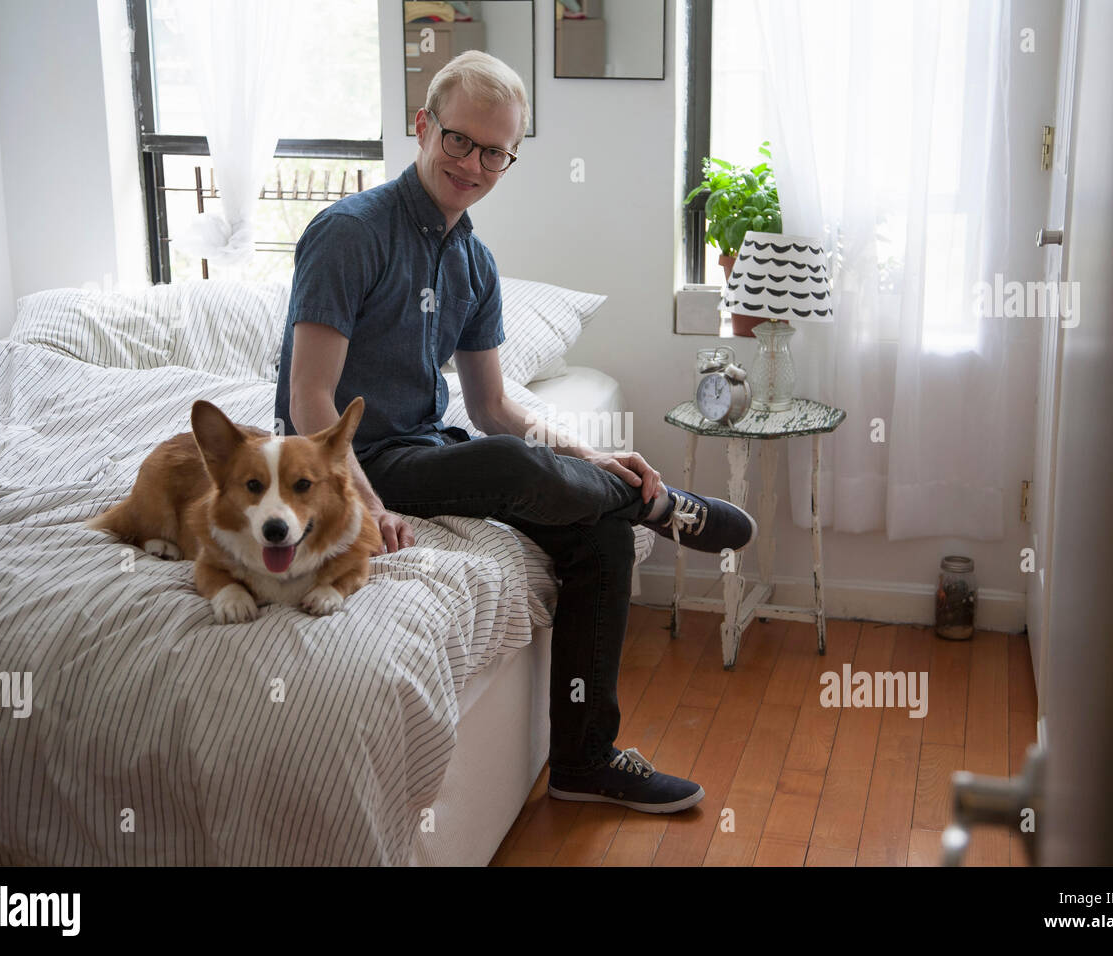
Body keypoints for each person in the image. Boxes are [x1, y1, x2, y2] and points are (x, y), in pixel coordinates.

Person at [274, 50, 756, 814]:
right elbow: (309, 398)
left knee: (595, 530)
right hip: (344, 464)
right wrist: (366, 505)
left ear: (511, 158)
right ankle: (660, 508)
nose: (473, 164)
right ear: (423, 126)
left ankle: (583, 759)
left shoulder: (475, 264)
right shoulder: (348, 234)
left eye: (495, 152)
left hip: (423, 449)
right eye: (460, 141)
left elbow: (496, 405)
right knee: (506, 462)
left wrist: (589, 456)